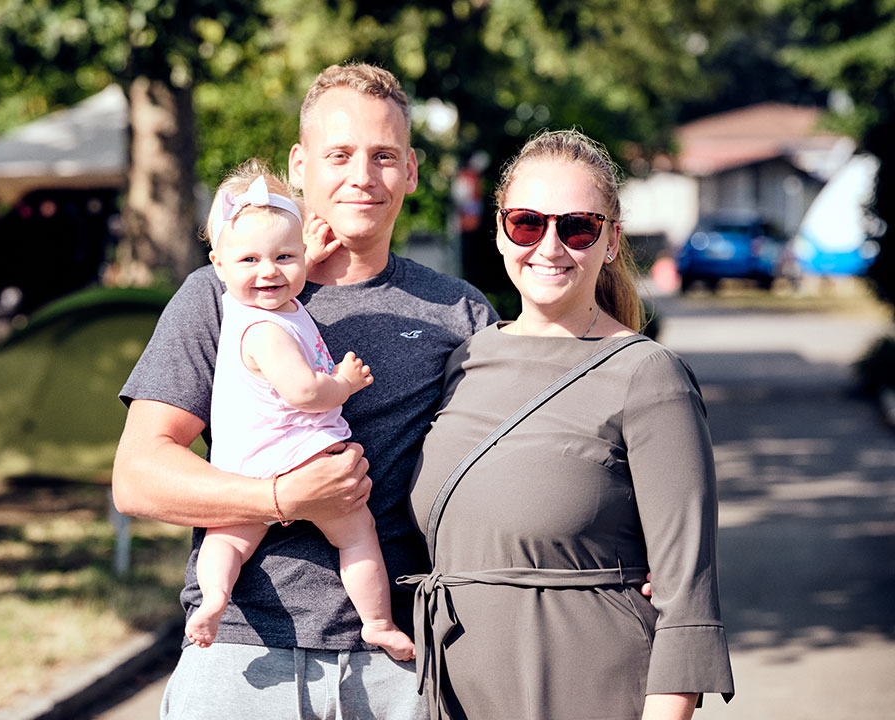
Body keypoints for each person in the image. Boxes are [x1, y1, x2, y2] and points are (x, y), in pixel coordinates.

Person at [113, 63, 498, 719]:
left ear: (410, 170)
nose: (362, 176)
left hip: (397, 663)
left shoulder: (458, 313)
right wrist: (279, 497)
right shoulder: (221, 294)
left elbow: (510, 471)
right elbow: (138, 477)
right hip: (240, 655)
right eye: (339, 154)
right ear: (299, 165)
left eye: (384, 157)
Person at [402, 129, 735, 720]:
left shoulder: (649, 376)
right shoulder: (465, 360)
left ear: (610, 242)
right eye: (528, 223)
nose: (550, 246)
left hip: (590, 691)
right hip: (454, 695)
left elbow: (688, 603)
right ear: (501, 231)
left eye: (577, 227)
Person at [183, 159, 414, 662]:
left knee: (227, 543)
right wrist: (344, 383)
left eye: (283, 257)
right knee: (358, 539)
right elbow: (305, 393)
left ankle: (215, 599)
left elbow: (281, 272)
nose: (269, 271)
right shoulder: (265, 329)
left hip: (244, 465)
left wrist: (303, 258)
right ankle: (376, 622)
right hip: (308, 459)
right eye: (249, 261)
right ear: (217, 266)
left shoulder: (264, 307)